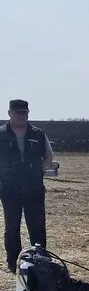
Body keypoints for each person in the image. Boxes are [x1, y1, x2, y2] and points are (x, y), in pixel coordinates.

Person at [0, 99, 54, 273]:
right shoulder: (1, 134)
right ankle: (13, 262)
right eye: (18, 113)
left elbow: (48, 156)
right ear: (9, 114)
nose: (22, 116)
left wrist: (39, 171)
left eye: (25, 112)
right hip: (9, 189)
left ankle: (40, 260)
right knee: (12, 226)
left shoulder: (38, 134)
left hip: (34, 188)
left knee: (37, 225)